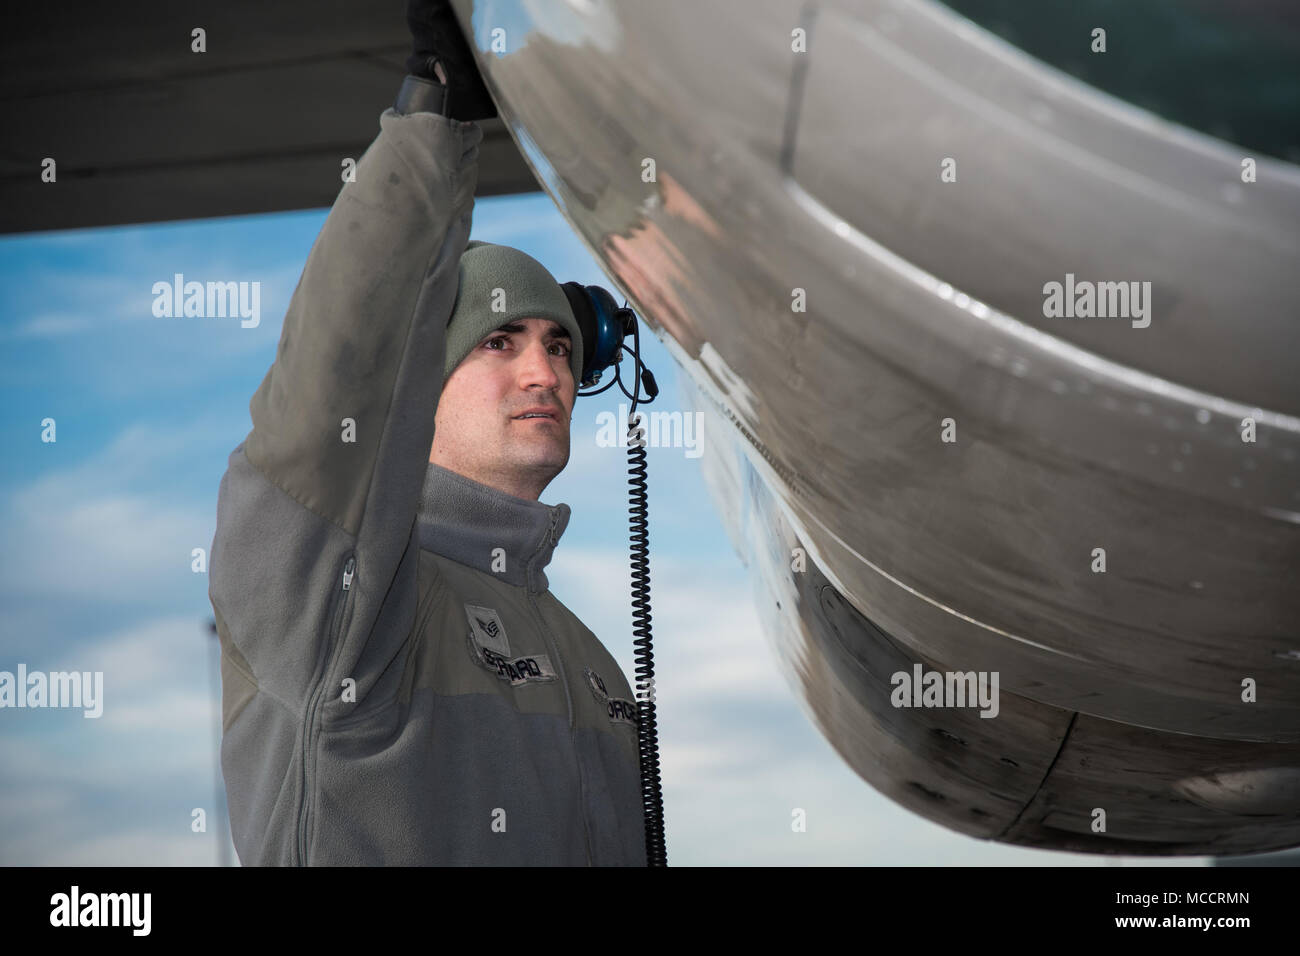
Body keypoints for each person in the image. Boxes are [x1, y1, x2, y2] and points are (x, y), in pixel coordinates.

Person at [208, 0, 647, 865]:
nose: (544, 372)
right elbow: (339, 380)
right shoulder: (344, 603)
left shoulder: (596, 666)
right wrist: (434, 122)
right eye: (498, 342)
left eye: (559, 345)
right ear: (420, 385)